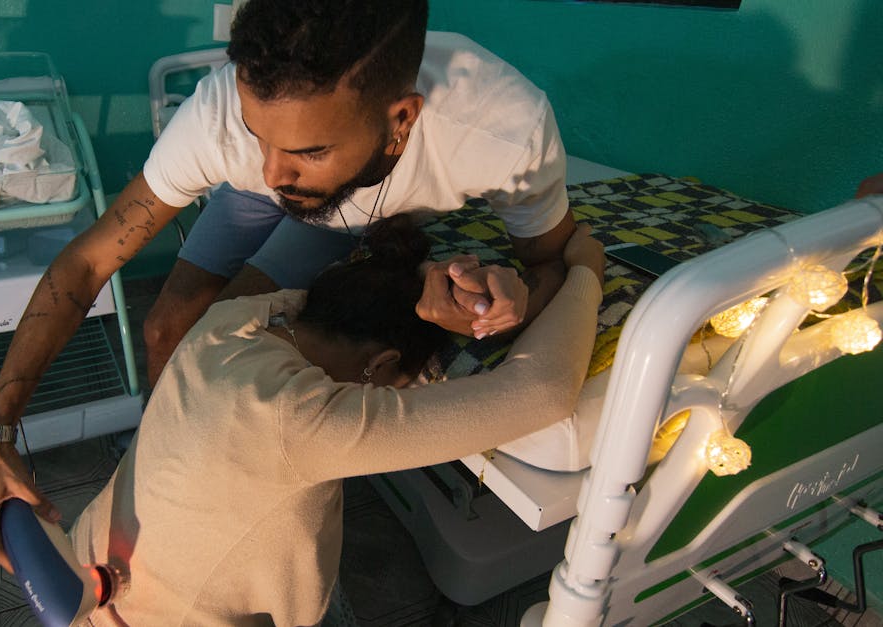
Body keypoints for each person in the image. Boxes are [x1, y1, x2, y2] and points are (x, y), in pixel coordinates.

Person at [0, 0, 575, 576]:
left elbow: (551, 263)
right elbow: (87, 264)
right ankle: (164, 466)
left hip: (362, 217)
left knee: (238, 336)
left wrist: (509, 298)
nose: (272, 171)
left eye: (308, 149)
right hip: (260, 205)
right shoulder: (221, 121)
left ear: (401, 119)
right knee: (165, 329)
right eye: (258, 135)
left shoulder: (502, 129)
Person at [59, 215, 604, 624]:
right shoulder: (307, 423)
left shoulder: (237, 319)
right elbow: (544, 392)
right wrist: (586, 272)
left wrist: (414, 280)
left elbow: (316, 298)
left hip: (86, 560)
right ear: (383, 365)